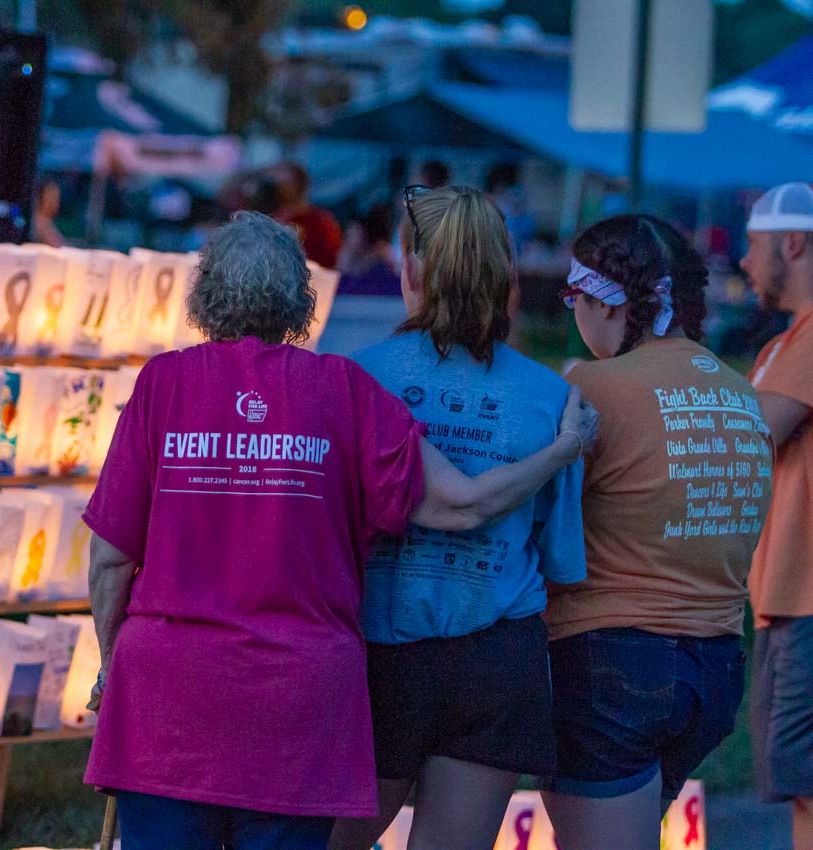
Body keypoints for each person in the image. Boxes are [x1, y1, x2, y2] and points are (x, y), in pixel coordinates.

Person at [83, 211, 596, 850]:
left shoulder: (163, 383)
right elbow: (459, 506)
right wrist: (560, 451)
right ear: (301, 298)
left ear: (204, 294)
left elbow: (108, 559)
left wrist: (111, 667)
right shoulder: (343, 391)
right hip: (299, 704)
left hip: (166, 703)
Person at [328, 186, 584, 850]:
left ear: (410, 268)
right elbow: (559, 559)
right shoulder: (554, 398)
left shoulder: (356, 379)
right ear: (504, 274)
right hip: (496, 660)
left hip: (376, 655)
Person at [540, 214, 773, 850]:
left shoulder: (592, 386)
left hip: (610, 662)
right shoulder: (740, 393)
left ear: (607, 303)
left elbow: (537, 514)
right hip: (716, 668)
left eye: (575, 299)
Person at [738, 182, 813, 850]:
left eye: (752, 244)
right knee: (799, 783)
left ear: (792, 243)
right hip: (784, 598)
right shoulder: (779, 348)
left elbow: (750, 434)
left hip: (808, 599)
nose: (741, 261)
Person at [275, 161, 342, 269]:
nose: (279, 188)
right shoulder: (270, 219)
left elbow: (331, 261)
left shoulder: (321, 223)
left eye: (284, 182)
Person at [336, 204, 402, 297]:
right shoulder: (348, 255)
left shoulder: (384, 256)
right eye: (347, 233)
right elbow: (342, 279)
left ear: (364, 232)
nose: (349, 236)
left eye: (353, 230)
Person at [32, 178, 65, 247]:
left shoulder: (46, 222)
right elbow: (58, 246)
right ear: (41, 197)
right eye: (51, 197)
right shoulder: (40, 223)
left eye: (57, 198)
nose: (55, 203)